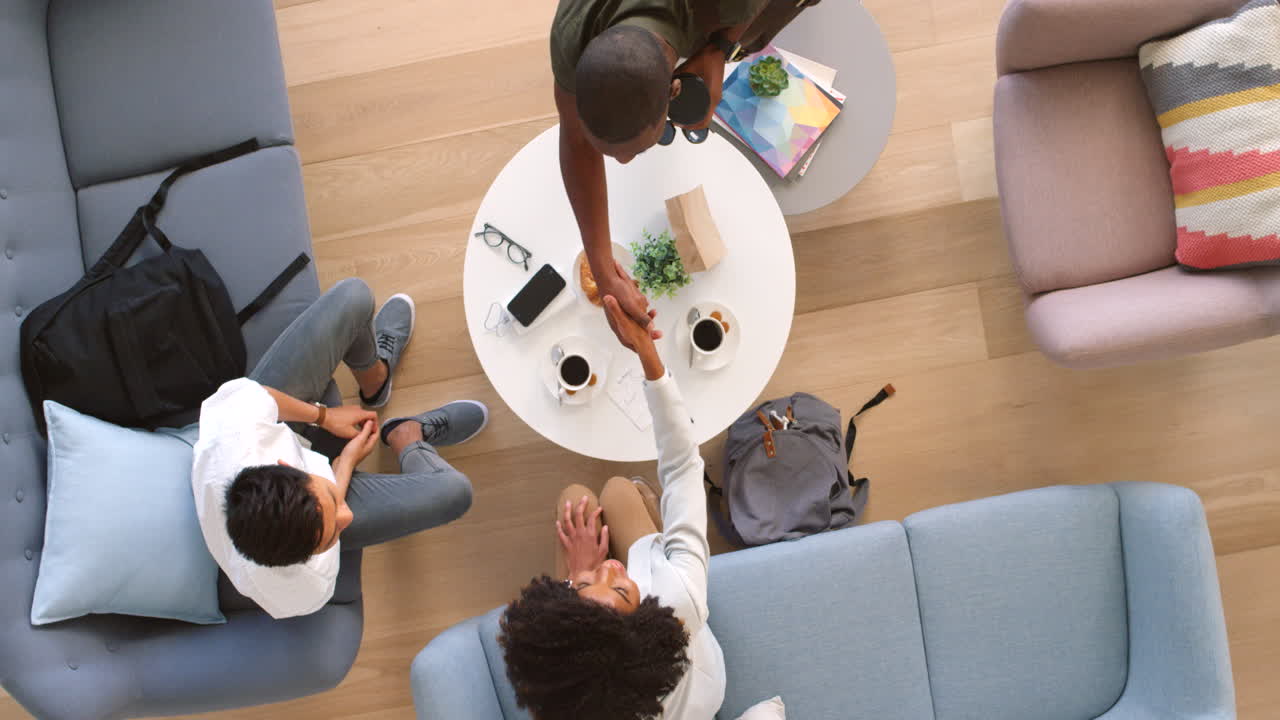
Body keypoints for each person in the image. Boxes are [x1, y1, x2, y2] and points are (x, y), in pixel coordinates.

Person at [191, 278, 488, 619]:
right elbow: (333, 518)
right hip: (312, 487)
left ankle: (376, 382)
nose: (346, 518)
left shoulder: (231, 434)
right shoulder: (306, 583)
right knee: (456, 493)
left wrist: (324, 416)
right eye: (332, 536)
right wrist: (343, 468)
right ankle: (407, 435)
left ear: (287, 466)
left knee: (354, 296)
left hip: (283, 437)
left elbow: (258, 397)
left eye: (332, 503)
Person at [499, 295, 725, 719]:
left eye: (587, 585)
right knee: (618, 491)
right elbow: (683, 467)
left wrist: (575, 574)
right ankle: (644, 505)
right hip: (691, 680)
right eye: (620, 589)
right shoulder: (678, 602)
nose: (612, 568)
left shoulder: (570, 694)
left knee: (576, 503)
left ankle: (602, 581)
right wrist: (646, 352)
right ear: (646, 626)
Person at [551, 0, 810, 346]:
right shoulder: (572, 34)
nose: (623, 164)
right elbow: (576, 141)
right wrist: (603, 274)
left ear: (676, 90)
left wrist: (723, 46)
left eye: (641, 149)